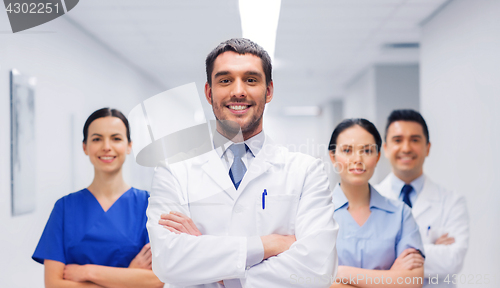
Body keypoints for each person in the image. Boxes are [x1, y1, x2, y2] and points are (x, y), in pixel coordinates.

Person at [146, 38, 338, 288]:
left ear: (268, 91)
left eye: (251, 79)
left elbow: (317, 269)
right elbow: (168, 262)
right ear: (209, 92)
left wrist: (217, 271)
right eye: (225, 80)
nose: (238, 91)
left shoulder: (306, 171)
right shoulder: (173, 169)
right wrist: (268, 245)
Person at [32, 108, 164, 288]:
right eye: (97, 139)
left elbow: (157, 280)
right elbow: (53, 284)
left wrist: (87, 272)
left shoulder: (148, 205)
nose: (106, 146)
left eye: (116, 138)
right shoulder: (65, 208)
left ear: (129, 146)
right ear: (85, 147)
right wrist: (128, 277)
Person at [375, 109, 469, 288]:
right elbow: (364, 263)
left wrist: (389, 252)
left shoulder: (452, 202)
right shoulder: (369, 199)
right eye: (397, 140)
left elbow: (453, 260)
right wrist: (431, 248)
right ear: (385, 148)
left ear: (428, 148)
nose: (406, 148)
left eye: (415, 140)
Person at [328, 118, 424, 288]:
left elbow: (413, 281)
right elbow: (312, 279)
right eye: (347, 150)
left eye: (367, 150)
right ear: (333, 156)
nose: (357, 159)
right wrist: (390, 278)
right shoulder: (318, 212)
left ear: (378, 156)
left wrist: (339, 273)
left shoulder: (401, 214)